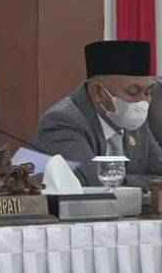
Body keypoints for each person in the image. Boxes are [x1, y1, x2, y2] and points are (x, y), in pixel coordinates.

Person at [35, 40, 162, 189]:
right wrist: (148, 183)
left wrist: (129, 181)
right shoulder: (62, 122)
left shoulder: (133, 118)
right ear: (99, 92)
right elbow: (92, 183)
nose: (143, 101)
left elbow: (158, 167)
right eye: (133, 92)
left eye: (148, 92)